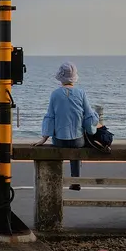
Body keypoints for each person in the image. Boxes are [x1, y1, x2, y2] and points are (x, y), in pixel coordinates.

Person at [39, 61, 99, 191]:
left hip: (59, 141)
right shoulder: (81, 93)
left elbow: (50, 117)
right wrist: (92, 130)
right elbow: (89, 116)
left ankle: (56, 181)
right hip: (77, 140)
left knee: (60, 145)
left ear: (61, 78)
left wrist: (43, 139)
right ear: (74, 77)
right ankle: (75, 180)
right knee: (76, 148)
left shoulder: (55, 94)